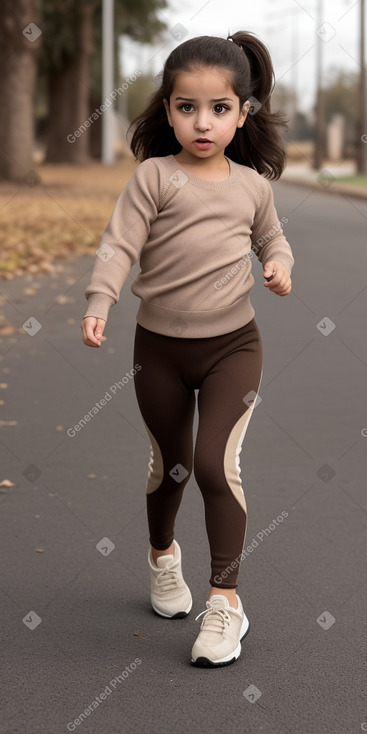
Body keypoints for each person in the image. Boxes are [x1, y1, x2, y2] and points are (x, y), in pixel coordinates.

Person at [81, 30, 295, 668]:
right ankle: (162, 557)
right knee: (170, 466)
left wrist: (280, 265)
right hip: (161, 350)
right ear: (168, 108)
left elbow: (272, 239)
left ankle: (225, 603)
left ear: (243, 112)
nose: (202, 123)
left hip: (234, 346)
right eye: (186, 108)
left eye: (220, 109)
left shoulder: (253, 186)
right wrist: (100, 300)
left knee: (213, 465)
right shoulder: (154, 178)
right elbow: (119, 246)